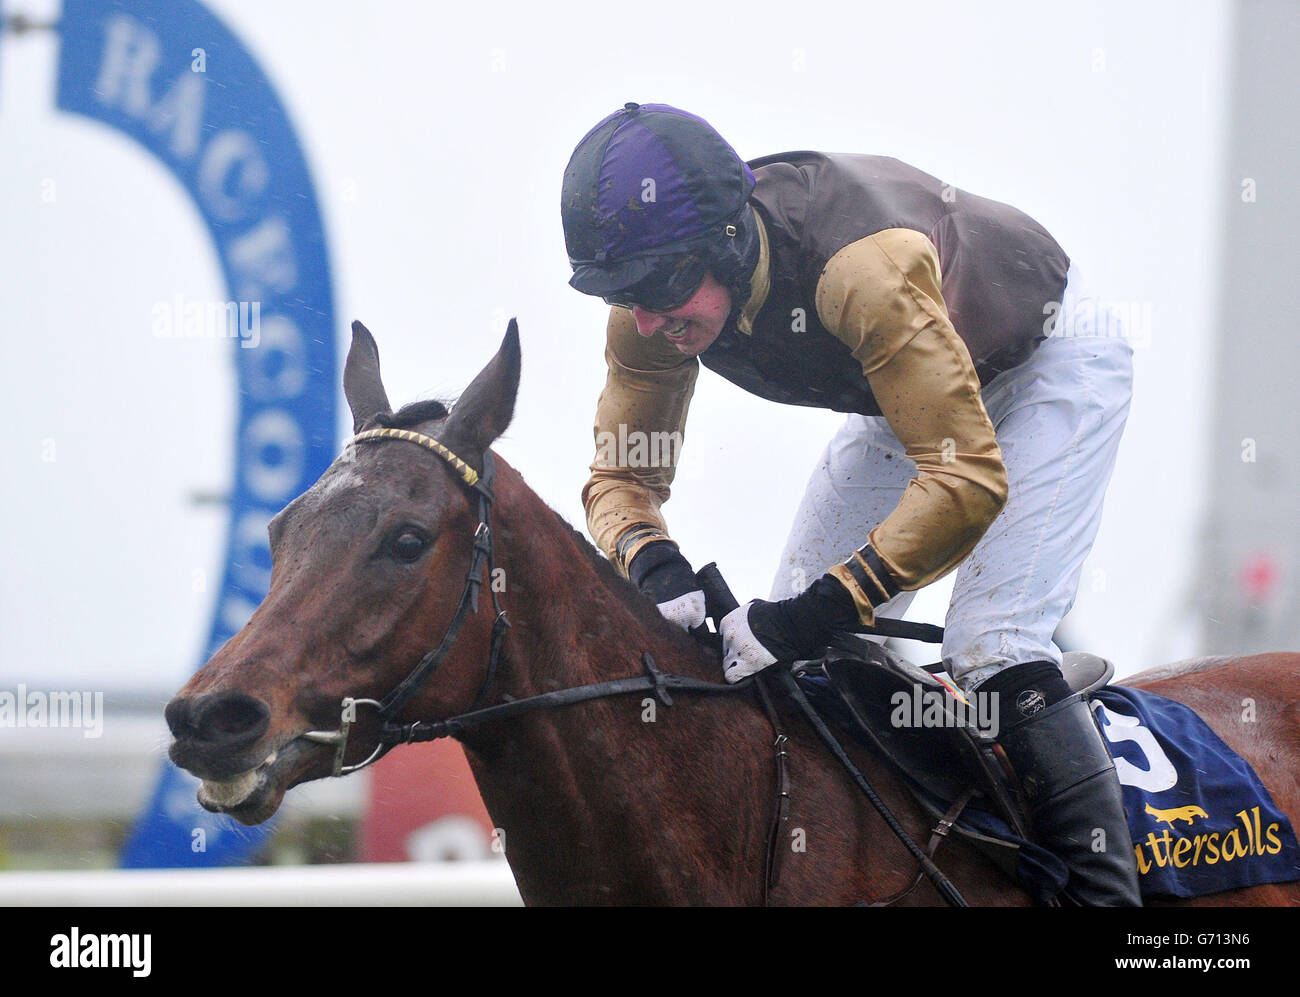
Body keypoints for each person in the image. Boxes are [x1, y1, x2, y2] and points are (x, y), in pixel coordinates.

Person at [561, 102, 1139, 905]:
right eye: (624, 296)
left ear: (728, 240)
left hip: (1045, 361)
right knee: (803, 665)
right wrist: (654, 564)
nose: (650, 320)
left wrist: (812, 609)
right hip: (901, 389)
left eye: (659, 286)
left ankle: (1111, 903)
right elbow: (620, 476)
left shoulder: (862, 270)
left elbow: (967, 479)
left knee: (991, 642)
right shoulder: (647, 319)